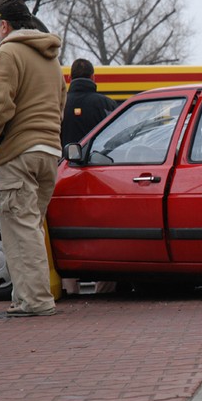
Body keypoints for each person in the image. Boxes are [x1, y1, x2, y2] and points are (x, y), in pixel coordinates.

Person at [0, 0, 66, 317]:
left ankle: (35, 301)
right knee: (31, 227)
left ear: (3, 25)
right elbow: (60, 103)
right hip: (48, 153)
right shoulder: (51, 57)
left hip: (19, 153)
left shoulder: (9, 52)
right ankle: (25, 296)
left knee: (19, 230)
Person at [60, 58, 118, 295]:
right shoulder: (105, 104)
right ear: (94, 78)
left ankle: (69, 289)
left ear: (69, 79)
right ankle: (103, 288)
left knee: (66, 234)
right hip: (100, 179)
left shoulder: (58, 104)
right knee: (103, 233)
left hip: (64, 179)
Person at [61, 58, 118, 147]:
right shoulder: (107, 104)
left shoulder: (59, 103)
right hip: (97, 159)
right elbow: (115, 136)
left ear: (70, 77)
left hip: (64, 159)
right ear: (93, 77)